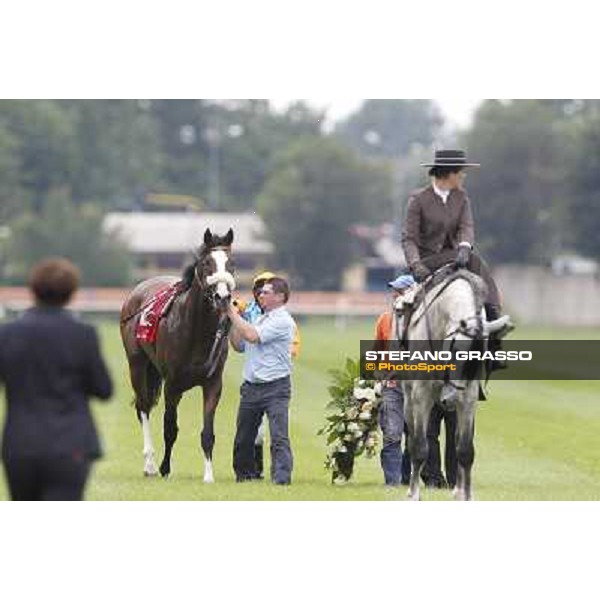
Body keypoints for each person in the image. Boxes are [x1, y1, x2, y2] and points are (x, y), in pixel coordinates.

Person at [0, 258, 113, 501]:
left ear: (32, 290)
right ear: (71, 293)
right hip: (71, 446)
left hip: (20, 447)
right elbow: (104, 390)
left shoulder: (7, 334)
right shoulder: (83, 335)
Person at [228, 276, 295, 485]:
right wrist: (234, 319)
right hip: (251, 386)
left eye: (265, 292)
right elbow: (239, 345)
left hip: (276, 387)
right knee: (243, 437)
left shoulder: (282, 320)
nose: (260, 295)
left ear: (280, 297)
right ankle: (244, 476)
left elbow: (252, 336)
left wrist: (231, 313)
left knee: (279, 436)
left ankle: (281, 479)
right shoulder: (260, 318)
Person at [374, 272, 416, 486]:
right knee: (391, 434)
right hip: (392, 386)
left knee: (415, 436)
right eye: (395, 291)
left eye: (401, 291)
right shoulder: (385, 319)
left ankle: (408, 478)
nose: (395, 295)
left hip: (417, 387)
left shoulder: (423, 322)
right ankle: (393, 481)